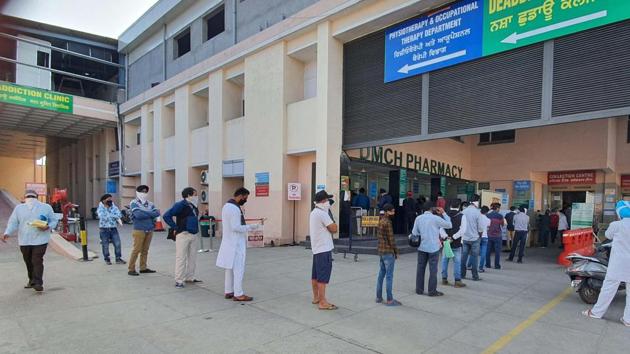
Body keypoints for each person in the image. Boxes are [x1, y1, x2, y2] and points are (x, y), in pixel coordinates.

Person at [582, 201, 630, 327]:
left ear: (619, 213)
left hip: (618, 263)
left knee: (608, 289)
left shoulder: (617, 225)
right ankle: (628, 319)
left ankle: (596, 312)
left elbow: (608, 235)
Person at [2, 189, 58, 292]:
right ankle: (32, 280)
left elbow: (53, 220)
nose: (30, 199)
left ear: (36, 198)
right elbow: (13, 222)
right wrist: (7, 232)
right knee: (28, 261)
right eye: (29, 197)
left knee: (36, 260)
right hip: (25, 240)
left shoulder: (46, 207)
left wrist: (48, 226)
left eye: (31, 197)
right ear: (25, 198)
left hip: (40, 239)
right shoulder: (19, 208)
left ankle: (38, 282)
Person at [216, 187, 257, 302]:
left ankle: (228, 290)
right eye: (245, 197)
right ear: (240, 195)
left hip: (229, 242)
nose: (246, 200)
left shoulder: (226, 206)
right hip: (236, 243)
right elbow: (236, 227)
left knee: (229, 268)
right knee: (239, 269)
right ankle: (238, 294)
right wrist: (251, 227)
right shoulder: (234, 208)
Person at [163, 187, 202, 289]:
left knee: (192, 257)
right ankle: (179, 280)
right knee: (181, 257)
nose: (196, 196)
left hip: (193, 233)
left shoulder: (193, 205)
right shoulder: (180, 205)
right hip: (183, 234)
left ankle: (190, 277)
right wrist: (175, 227)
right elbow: (167, 215)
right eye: (195, 194)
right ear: (189, 195)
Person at [413, 202, 452, 296]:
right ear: (432, 209)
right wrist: (443, 213)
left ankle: (419, 289)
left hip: (422, 247)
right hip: (433, 248)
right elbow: (449, 225)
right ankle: (432, 291)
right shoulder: (436, 218)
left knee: (420, 269)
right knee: (433, 270)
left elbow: (414, 232)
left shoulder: (418, 218)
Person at [308, 190, 338, 310]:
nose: (328, 202)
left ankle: (316, 297)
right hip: (324, 248)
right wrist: (332, 219)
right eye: (327, 200)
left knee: (315, 275)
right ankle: (322, 302)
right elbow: (334, 228)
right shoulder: (322, 213)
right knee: (323, 277)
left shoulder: (314, 212)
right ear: (324, 201)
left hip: (317, 248)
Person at [128, 185, 160, 276]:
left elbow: (157, 213)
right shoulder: (133, 202)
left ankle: (143, 268)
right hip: (139, 229)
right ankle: (131, 269)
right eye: (142, 191)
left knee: (145, 250)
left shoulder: (150, 203)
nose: (144, 193)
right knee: (136, 250)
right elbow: (138, 215)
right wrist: (150, 213)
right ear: (137, 192)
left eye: (146, 191)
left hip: (149, 229)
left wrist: (144, 212)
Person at [376, 203, 401, 306]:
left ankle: (378, 297)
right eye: (392, 211)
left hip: (381, 251)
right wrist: (396, 252)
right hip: (388, 252)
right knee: (389, 276)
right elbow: (391, 239)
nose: (393, 213)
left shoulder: (381, 221)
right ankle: (390, 300)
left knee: (381, 275)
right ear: (387, 212)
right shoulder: (388, 222)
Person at [441, 199, 466, 288]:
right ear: (459, 206)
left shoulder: (445, 215)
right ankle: (457, 281)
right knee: (457, 262)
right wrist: (453, 237)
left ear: (450, 205)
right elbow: (463, 230)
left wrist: (445, 237)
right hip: (456, 243)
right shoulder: (462, 216)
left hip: (446, 242)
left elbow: (441, 228)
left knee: (444, 260)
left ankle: (444, 279)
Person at [96, 193, 125, 265]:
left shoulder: (114, 206)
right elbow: (102, 217)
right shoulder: (100, 208)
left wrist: (111, 215)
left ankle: (118, 258)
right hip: (104, 229)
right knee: (105, 245)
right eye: (108, 199)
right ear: (103, 200)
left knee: (117, 243)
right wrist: (113, 216)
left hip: (113, 228)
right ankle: (107, 259)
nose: (110, 200)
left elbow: (119, 214)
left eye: (111, 199)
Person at [461, 195, 484, 281]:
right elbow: (481, 228)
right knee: (474, 257)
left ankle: (462, 274)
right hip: (475, 238)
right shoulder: (478, 212)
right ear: (477, 202)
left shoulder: (464, 211)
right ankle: (475, 276)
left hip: (465, 238)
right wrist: (480, 236)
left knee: (463, 257)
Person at [469, 206, 490, 273]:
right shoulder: (488, 220)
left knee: (473, 252)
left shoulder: (477, 217)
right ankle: (480, 268)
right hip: (485, 237)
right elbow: (488, 229)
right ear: (487, 212)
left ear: (480, 210)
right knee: (483, 253)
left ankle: (469, 265)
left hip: (477, 236)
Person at [486, 203, 505, 270]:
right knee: (497, 251)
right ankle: (497, 265)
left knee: (488, 250)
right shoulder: (500, 216)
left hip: (489, 235)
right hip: (497, 236)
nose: (499, 210)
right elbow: (502, 224)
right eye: (499, 208)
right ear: (497, 208)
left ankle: (487, 264)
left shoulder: (487, 215)